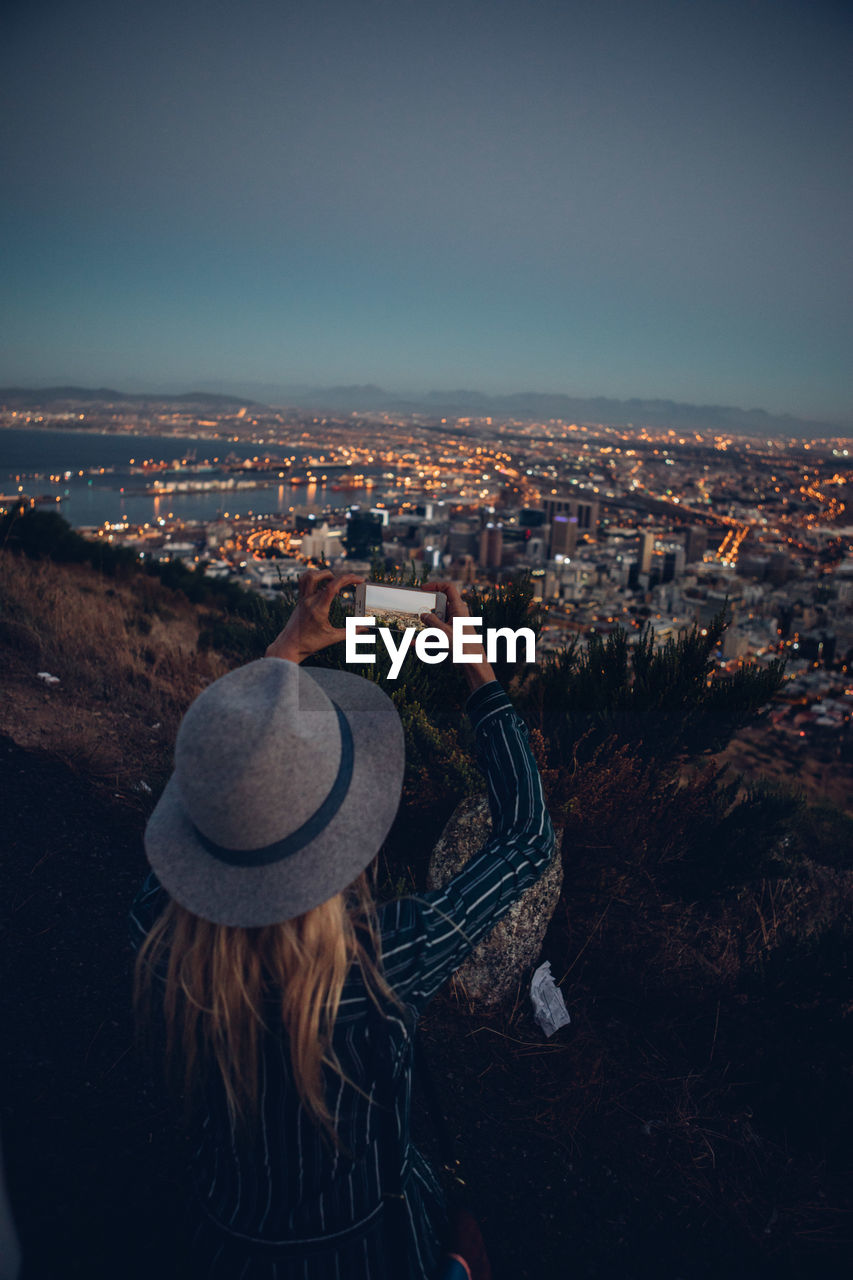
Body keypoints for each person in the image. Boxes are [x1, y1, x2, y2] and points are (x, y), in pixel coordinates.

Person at [131, 569, 555, 1279]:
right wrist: (473, 666)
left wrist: (282, 653)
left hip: (223, 1244)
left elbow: (214, 787)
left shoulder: (162, 932)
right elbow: (527, 837)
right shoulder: (382, 961)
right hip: (370, 1252)